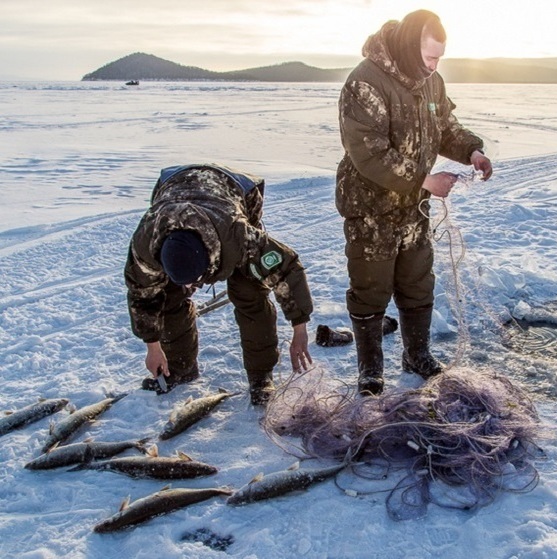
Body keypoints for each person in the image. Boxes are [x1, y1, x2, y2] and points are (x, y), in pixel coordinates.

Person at [336, 10, 493, 396]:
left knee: (417, 283)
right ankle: (370, 370)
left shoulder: (430, 82)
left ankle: (416, 354)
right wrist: (426, 180)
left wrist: (471, 150)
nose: (434, 66)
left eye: (439, 58)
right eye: (429, 58)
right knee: (371, 288)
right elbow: (369, 153)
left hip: (413, 207)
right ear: (409, 48)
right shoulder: (365, 83)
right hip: (371, 207)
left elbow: (445, 128)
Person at [124, 164, 313, 405]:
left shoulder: (239, 237)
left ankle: (260, 376)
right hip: (171, 185)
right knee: (168, 295)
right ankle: (180, 368)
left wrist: (299, 328)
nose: (194, 287)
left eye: (197, 279)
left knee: (248, 291)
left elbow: (286, 269)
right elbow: (142, 296)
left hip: (239, 190)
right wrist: (153, 347)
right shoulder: (146, 245)